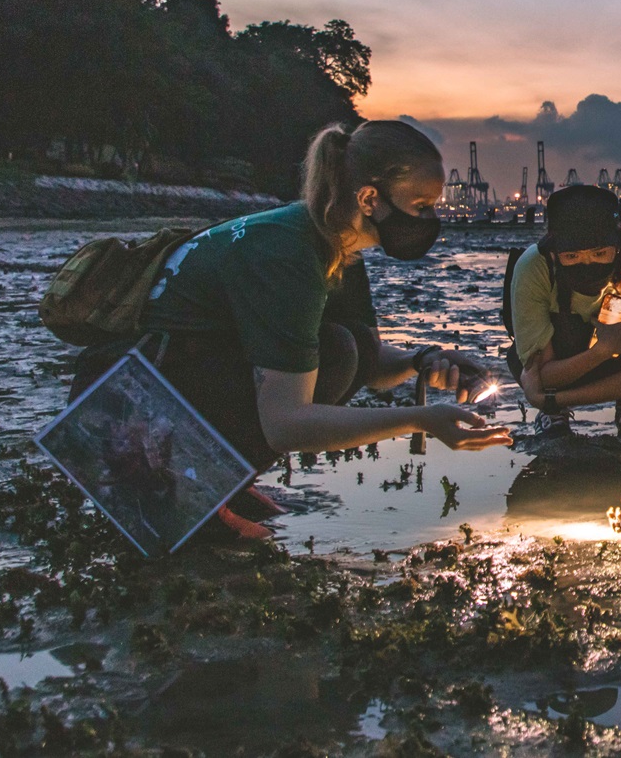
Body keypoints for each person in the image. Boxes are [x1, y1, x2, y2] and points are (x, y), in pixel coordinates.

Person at [108, 119, 512, 538]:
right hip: (127, 404)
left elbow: (372, 367)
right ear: (370, 198)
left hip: (184, 381)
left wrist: (423, 360)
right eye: (421, 206)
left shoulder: (335, 241)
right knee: (336, 350)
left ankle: (224, 481)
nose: (431, 219)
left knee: (348, 345)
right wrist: (422, 420)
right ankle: (187, 491)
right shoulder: (288, 254)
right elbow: (286, 425)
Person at [504, 185, 621, 440]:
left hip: (615, 363)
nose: (587, 264)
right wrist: (601, 350)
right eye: (572, 255)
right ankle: (554, 416)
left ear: (617, 247)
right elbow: (543, 374)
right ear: (554, 254)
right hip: (557, 362)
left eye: (600, 253)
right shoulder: (533, 269)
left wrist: (546, 400)